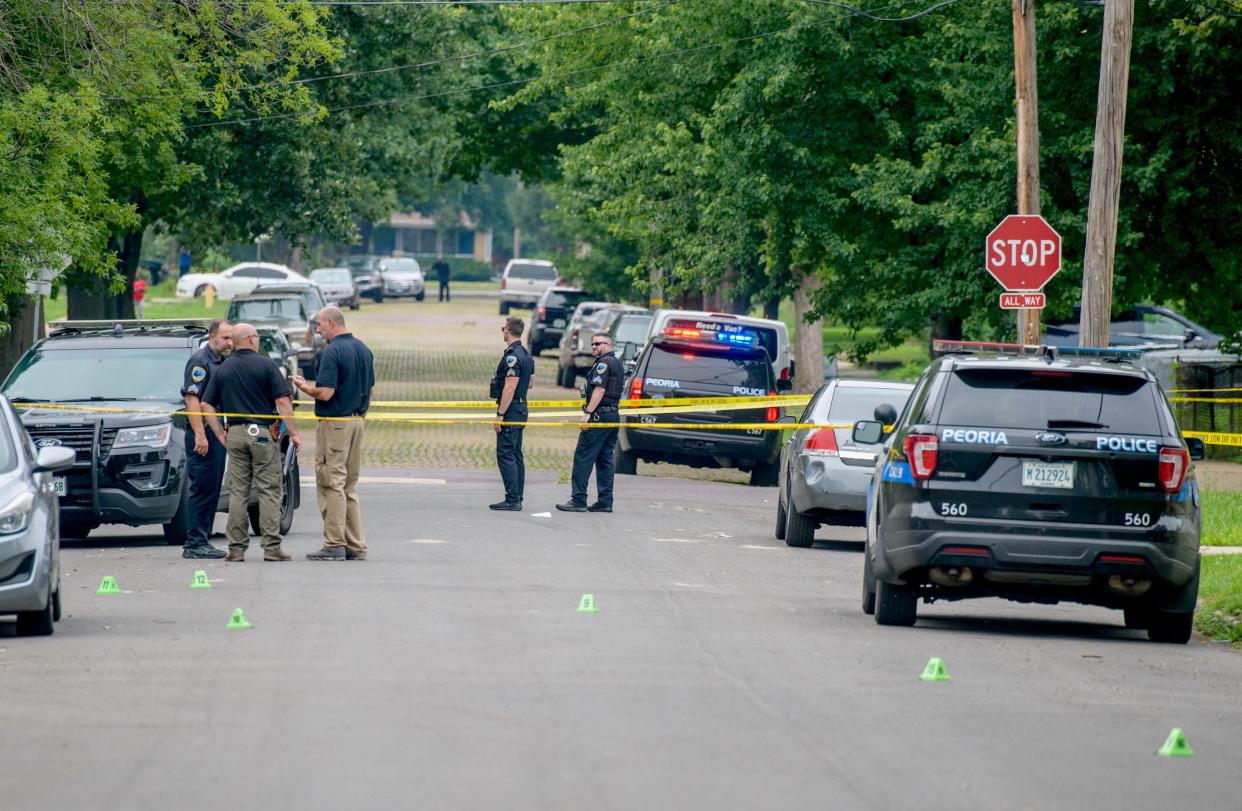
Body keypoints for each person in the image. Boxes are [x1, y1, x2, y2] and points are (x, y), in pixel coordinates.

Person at [200, 322, 301, 562]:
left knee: (238, 492)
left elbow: (206, 404)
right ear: (252, 339)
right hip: (263, 434)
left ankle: (236, 548)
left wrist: (219, 434)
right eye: (257, 336)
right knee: (268, 490)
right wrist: (294, 433)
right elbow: (284, 402)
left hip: (234, 434)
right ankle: (271, 547)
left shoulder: (223, 368)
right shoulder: (266, 365)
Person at [291, 306, 375, 561]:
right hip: (356, 421)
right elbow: (371, 390)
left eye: (318, 324)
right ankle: (355, 545)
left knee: (331, 482)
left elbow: (326, 392)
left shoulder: (332, 352)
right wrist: (359, 416)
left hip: (335, 423)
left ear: (330, 323)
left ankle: (334, 544)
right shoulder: (363, 349)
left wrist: (304, 387)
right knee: (348, 485)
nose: (316, 329)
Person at [180, 320, 233, 559]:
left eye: (232, 338)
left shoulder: (219, 362)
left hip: (215, 431)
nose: (229, 343)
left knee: (212, 487)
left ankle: (203, 539)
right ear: (212, 336)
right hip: (203, 433)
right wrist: (200, 435)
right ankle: (194, 543)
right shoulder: (200, 361)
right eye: (225, 338)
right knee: (202, 487)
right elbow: (192, 400)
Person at [556, 332, 624, 513]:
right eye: (592, 344)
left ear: (608, 345)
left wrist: (588, 413)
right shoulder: (616, 362)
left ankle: (578, 499)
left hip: (599, 416)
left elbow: (599, 390)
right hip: (612, 415)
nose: (593, 347)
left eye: (598, 344)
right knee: (605, 460)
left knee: (583, 457)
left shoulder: (604, 364)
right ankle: (605, 501)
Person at [490, 316, 534, 511]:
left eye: (503, 329)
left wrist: (500, 413)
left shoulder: (512, 356)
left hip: (511, 409)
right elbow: (530, 382)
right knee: (515, 454)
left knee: (506, 453)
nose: (503, 332)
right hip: (521, 407)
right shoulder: (526, 354)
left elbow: (510, 385)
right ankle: (517, 496)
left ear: (507, 330)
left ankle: (512, 499)